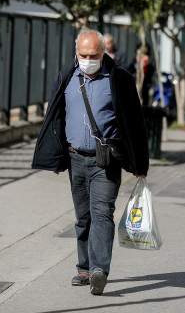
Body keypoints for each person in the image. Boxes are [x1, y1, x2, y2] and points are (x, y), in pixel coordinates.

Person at [31, 29, 149, 295]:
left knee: (102, 213)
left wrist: (140, 165)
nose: (88, 59)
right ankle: (83, 267)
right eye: (83, 55)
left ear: (103, 52)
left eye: (93, 55)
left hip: (106, 160)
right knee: (82, 217)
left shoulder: (119, 79)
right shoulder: (67, 76)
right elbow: (55, 117)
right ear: (77, 53)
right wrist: (57, 157)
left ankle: (99, 270)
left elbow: (135, 123)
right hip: (75, 158)